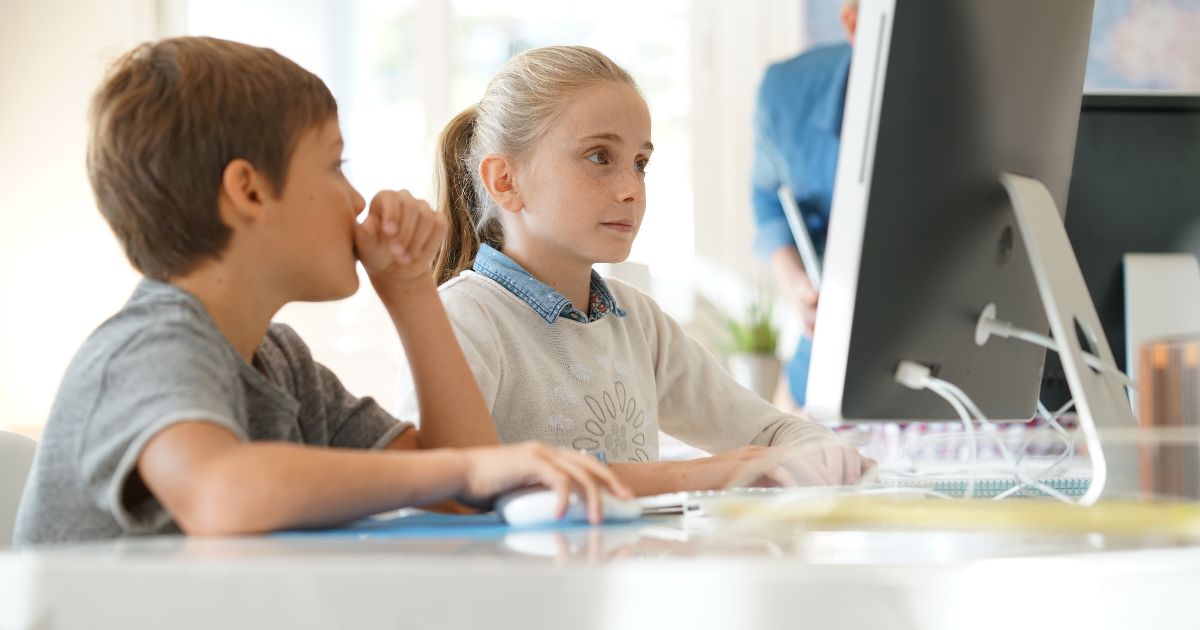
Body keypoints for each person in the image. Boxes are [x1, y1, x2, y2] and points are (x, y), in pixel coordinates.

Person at [14, 37, 628, 547]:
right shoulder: (148, 345)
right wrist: (470, 468)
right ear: (250, 192)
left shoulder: (283, 365)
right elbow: (220, 493)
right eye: (336, 166)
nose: (357, 201)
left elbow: (464, 498)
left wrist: (412, 292)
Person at [398, 45, 874, 496]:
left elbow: (769, 430)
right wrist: (699, 474)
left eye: (640, 163)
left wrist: (824, 456)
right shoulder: (464, 316)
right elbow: (449, 480)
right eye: (599, 157)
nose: (631, 189)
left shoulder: (637, 321)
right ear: (505, 181)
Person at [751, 0, 858, 406]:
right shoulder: (786, 92)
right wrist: (797, 282)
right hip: (832, 348)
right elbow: (768, 198)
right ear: (852, 21)